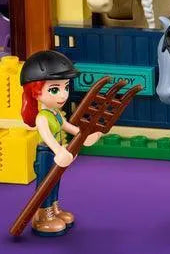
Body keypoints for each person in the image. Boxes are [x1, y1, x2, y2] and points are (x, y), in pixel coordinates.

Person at [20, 51, 101, 237]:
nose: (63, 94)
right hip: (46, 153)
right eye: (54, 90)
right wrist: (58, 151)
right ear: (35, 91)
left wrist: (84, 136)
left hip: (56, 153)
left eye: (66, 87)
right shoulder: (42, 117)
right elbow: (47, 137)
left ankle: (54, 208)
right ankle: (43, 214)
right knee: (45, 184)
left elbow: (68, 127)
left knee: (55, 182)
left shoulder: (55, 114)